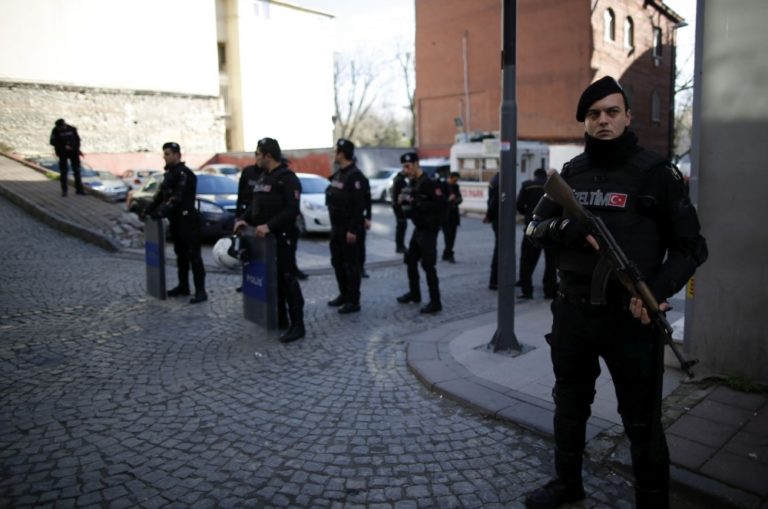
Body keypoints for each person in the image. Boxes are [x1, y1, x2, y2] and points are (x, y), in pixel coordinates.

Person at [523, 76, 708, 509]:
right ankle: (567, 484)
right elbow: (533, 229)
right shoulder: (571, 174)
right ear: (585, 122)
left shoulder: (657, 174)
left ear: (627, 116)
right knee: (569, 405)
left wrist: (655, 291)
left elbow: (692, 247)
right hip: (573, 314)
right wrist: (564, 228)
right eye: (593, 114)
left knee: (641, 420)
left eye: (611, 112)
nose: (603, 120)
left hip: (631, 318)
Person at [234, 137, 305, 343]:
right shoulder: (264, 177)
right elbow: (255, 205)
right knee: (275, 281)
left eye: (257, 154)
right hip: (265, 241)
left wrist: (269, 226)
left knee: (288, 280)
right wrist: (243, 219)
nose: (255, 157)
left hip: (282, 238)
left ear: (268, 155)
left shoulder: (288, 178)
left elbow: (292, 210)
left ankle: (298, 325)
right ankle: (280, 318)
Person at [146, 142, 207, 304]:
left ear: (177, 155)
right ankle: (183, 286)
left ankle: (201, 291)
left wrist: (161, 212)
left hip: (188, 220)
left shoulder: (184, 174)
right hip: (176, 220)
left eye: (167, 154)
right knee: (180, 254)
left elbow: (177, 197)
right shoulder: (169, 174)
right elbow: (160, 196)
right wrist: (149, 210)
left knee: (193, 255)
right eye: (164, 154)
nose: (164, 157)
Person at [396, 152, 446, 313]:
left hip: (429, 229)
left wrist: (418, 204)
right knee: (410, 260)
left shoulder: (429, 183)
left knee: (428, 265)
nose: (406, 170)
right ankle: (415, 293)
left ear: (417, 164)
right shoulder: (412, 183)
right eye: (404, 167)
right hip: (418, 228)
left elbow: (441, 206)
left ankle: (435, 302)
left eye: (408, 166)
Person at [325, 138, 367, 314]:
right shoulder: (339, 174)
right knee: (337, 262)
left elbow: (359, 206)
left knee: (351, 265)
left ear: (342, 154)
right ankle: (344, 294)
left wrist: (352, 230)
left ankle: (353, 301)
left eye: (335, 151)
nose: (333, 154)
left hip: (349, 228)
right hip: (337, 227)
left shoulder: (355, 176)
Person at [516, 167, 557, 299]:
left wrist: (528, 215)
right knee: (551, 264)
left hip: (532, 227)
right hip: (550, 230)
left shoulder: (527, 185)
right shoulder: (553, 187)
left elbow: (519, 205)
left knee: (527, 261)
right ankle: (549, 292)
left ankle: (527, 291)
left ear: (534, 175)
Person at [49, 118, 84, 197]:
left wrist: (77, 149)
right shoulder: (55, 131)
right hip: (62, 153)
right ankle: (64, 191)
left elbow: (77, 140)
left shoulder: (72, 129)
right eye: (60, 128)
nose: (61, 129)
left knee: (77, 171)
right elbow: (52, 142)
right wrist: (64, 146)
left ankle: (79, 190)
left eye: (62, 127)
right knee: (64, 172)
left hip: (74, 152)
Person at [483, 172, 500, 290]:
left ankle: (496, 280)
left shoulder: (495, 180)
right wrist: (489, 215)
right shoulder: (500, 181)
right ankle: (494, 281)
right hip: (499, 220)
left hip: (496, 219)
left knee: (499, 249)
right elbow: (494, 201)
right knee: (499, 251)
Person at [441, 171, 463, 263]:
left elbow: (460, 198)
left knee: (452, 236)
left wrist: (457, 200)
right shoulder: (442, 185)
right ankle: (449, 253)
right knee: (448, 235)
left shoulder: (456, 186)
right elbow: (440, 200)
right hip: (445, 215)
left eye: (456, 181)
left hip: (454, 215)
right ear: (450, 178)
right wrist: (448, 199)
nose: (455, 182)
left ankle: (447, 252)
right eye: (454, 180)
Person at [391, 168, 409, 253]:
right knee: (401, 226)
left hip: (398, 206)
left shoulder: (398, 179)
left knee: (401, 226)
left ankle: (400, 245)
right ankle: (400, 246)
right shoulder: (400, 180)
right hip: (399, 207)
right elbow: (400, 194)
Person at [359, 171, 372, 278]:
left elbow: (368, 200)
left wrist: (368, 217)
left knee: (360, 246)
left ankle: (360, 268)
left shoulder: (362, 179)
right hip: (346, 218)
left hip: (360, 217)